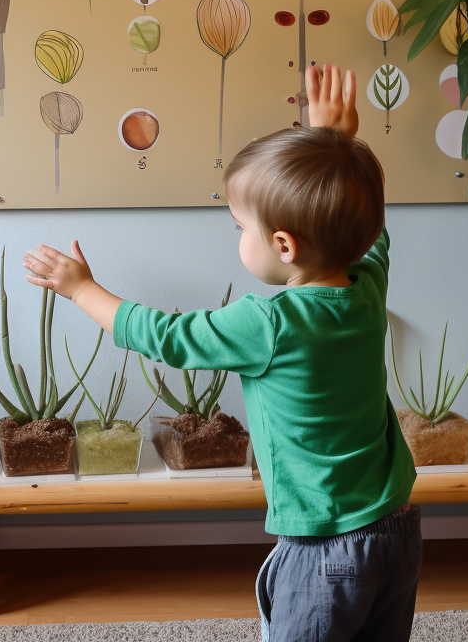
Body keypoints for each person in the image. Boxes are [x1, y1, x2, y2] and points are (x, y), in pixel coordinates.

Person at [23, 64, 421, 642]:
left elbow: (165, 336)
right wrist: (341, 143)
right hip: (397, 527)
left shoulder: (270, 323)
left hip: (324, 547)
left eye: (239, 225)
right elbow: (374, 229)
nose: (237, 236)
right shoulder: (367, 286)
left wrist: (83, 288)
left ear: (283, 244)